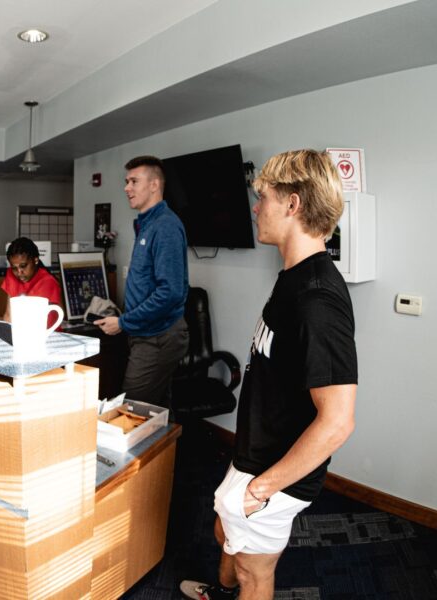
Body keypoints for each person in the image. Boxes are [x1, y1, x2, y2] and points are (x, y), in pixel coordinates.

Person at [179, 150, 358, 600]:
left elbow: (337, 422)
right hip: (254, 452)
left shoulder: (318, 299)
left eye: (263, 198)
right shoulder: (292, 277)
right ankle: (219, 592)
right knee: (224, 532)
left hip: (275, 472)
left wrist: (263, 487)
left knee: (253, 573)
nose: (256, 208)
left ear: (293, 204)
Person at [94, 155, 188, 406]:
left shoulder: (165, 226)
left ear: (155, 185)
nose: (127, 188)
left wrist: (123, 321)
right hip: (145, 332)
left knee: (132, 409)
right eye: (127, 181)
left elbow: (170, 292)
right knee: (157, 411)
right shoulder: (147, 224)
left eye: (134, 181)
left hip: (157, 336)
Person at [1, 237, 63, 328]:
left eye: (23, 266)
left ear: (36, 260)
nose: (19, 272)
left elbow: (35, 323)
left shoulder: (47, 282)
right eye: (14, 267)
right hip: (22, 332)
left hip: (48, 335)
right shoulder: (11, 274)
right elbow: (8, 315)